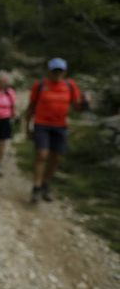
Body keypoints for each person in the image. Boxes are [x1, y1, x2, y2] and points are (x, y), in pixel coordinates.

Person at [25, 57, 87, 204]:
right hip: (42, 124)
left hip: (60, 126)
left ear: (65, 72)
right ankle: (36, 187)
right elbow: (31, 107)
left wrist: (85, 103)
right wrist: (27, 127)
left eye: (60, 71)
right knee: (42, 154)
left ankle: (45, 182)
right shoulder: (39, 85)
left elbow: (77, 107)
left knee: (56, 158)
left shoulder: (70, 86)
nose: (57, 74)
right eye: (54, 71)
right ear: (49, 71)